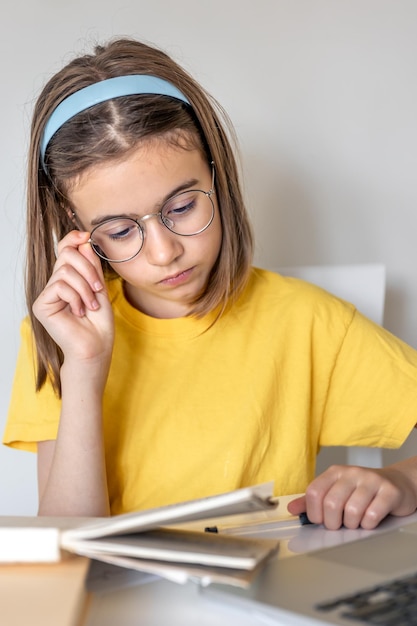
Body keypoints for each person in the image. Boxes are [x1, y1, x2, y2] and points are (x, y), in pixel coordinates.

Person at [3, 37, 417, 530]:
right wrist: (86, 370)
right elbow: (65, 544)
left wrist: (403, 481)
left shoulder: (307, 322)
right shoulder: (64, 339)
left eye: (181, 207)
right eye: (119, 230)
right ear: (76, 226)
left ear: (217, 175)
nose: (164, 252)